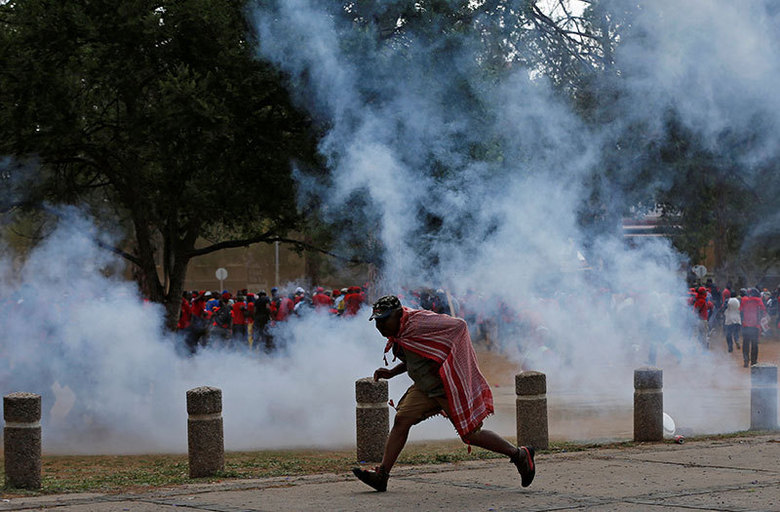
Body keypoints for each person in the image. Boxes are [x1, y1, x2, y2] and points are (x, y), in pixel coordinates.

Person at [352, 295, 536, 492]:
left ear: (397, 315)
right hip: (425, 388)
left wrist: (452, 363)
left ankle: (519, 455)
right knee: (402, 420)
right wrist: (391, 372)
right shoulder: (400, 332)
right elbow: (417, 357)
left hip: (447, 387)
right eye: (377, 321)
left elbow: (459, 325)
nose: (379, 326)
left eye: (383, 320)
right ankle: (382, 475)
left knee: (470, 435)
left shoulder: (418, 322)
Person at [740, 288, 767, 367]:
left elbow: (741, 311)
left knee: (745, 343)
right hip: (755, 326)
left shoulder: (744, 300)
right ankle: (753, 362)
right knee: (754, 344)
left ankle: (746, 360)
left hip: (745, 325)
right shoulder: (758, 300)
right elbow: (763, 311)